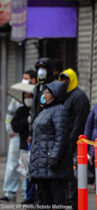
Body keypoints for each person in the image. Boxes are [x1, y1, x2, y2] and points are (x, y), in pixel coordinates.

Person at [28, 81, 72, 207]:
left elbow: (61, 136)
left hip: (53, 164)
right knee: (44, 200)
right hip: (41, 163)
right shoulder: (44, 111)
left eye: (47, 92)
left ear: (55, 94)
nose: (44, 95)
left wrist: (54, 157)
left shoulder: (59, 111)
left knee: (57, 199)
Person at [0, 70, 36, 202]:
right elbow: (9, 116)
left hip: (29, 138)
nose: (24, 80)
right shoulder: (18, 99)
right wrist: (10, 131)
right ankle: (10, 192)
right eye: (23, 78)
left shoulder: (36, 95)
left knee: (27, 166)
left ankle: (27, 195)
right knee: (13, 164)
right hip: (17, 136)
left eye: (26, 78)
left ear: (33, 79)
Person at [59, 68, 90, 208]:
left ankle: (73, 202)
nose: (64, 82)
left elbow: (79, 121)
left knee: (75, 176)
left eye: (66, 79)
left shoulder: (79, 97)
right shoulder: (67, 95)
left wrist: (71, 140)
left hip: (75, 143)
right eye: (62, 79)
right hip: (67, 142)